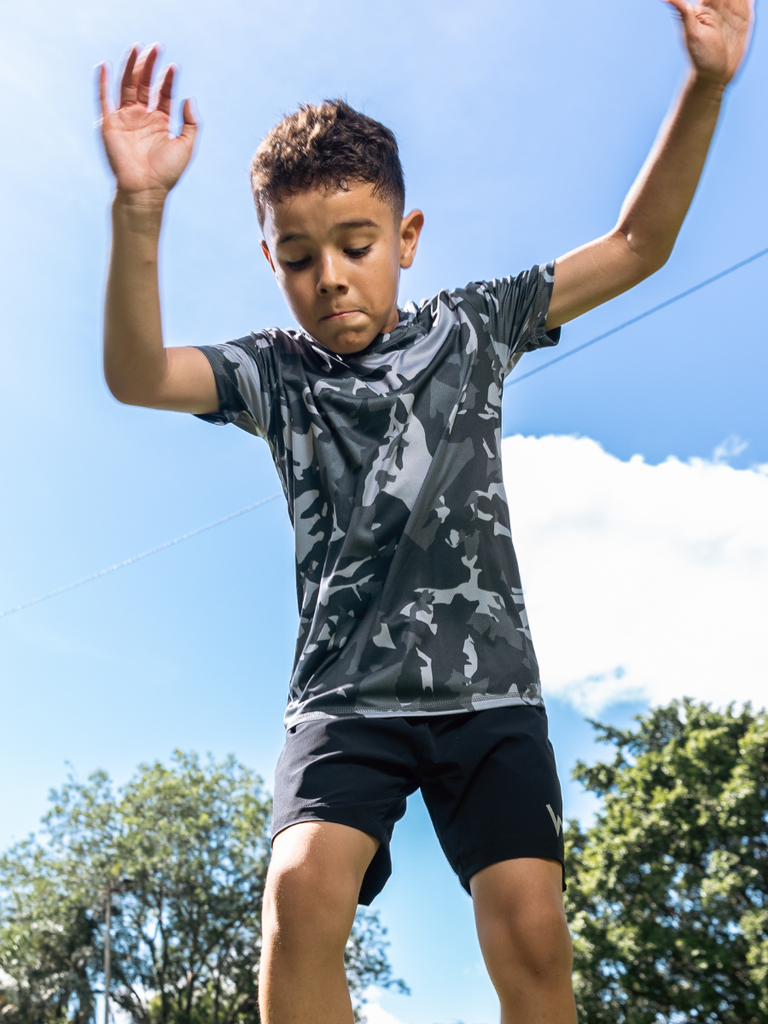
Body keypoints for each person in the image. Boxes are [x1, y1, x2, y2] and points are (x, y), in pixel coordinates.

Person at [98, 3, 753, 1021]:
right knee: (300, 892)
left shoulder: (475, 327)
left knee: (534, 927)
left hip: (489, 691)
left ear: (405, 237)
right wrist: (139, 213)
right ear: (272, 260)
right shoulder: (275, 373)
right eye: (301, 255)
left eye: (356, 245)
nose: (331, 278)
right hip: (345, 700)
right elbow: (139, 374)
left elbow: (638, 244)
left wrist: (706, 84)